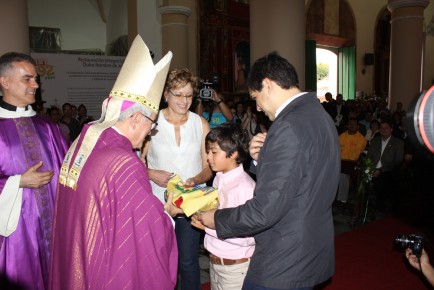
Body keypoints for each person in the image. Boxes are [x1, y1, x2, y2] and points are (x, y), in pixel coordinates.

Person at [196, 52, 340, 290]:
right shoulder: (320, 116)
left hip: (283, 257)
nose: (259, 108)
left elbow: (265, 210)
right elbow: (303, 180)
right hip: (310, 247)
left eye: (255, 97)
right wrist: (261, 159)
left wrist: (217, 218)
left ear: (268, 84)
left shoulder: (288, 126)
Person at [49, 36, 178, 290]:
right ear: (135, 119)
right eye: (151, 125)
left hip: (76, 254)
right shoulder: (123, 162)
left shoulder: (84, 141)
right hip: (102, 269)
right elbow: (145, 229)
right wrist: (169, 213)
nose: (149, 133)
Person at [0, 52, 69, 290]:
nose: (36, 85)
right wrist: (16, 182)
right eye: (27, 79)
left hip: (54, 225)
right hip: (16, 231)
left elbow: (71, 170)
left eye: (36, 79)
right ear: (5, 82)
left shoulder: (48, 126)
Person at [142, 67, 213, 290]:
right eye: (178, 94)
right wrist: (151, 173)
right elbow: (132, 163)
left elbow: (208, 168)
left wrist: (195, 179)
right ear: (166, 94)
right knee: (158, 261)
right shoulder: (150, 122)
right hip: (157, 204)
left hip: (189, 204)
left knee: (188, 262)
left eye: (189, 95)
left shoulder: (200, 124)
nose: (185, 101)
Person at [191, 122, 256, 290]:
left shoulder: (245, 189)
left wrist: (207, 226)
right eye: (208, 152)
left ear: (233, 153)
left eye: (213, 152)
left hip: (235, 267)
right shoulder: (220, 176)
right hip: (217, 261)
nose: (208, 158)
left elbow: (249, 236)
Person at [367, 119, 404, 212]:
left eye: (386, 128)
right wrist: (370, 168)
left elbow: (397, 161)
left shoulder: (398, 142)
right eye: (381, 128)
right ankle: (364, 205)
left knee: (382, 179)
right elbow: (369, 157)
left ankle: (380, 206)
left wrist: (380, 170)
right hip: (373, 168)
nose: (383, 130)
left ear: (391, 129)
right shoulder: (375, 141)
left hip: (388, 170)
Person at [337, 119, 367, 203]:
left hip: (352, 163)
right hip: (339, 161)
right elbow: (336, 149)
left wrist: (343, 162)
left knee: (343, 172)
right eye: (350, 124)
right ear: (347, 126)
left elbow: (357, 154)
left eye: (354, 124)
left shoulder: (361, 139)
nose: (351, 126)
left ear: (358, 127)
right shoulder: (341, 136)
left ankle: (342, 199)